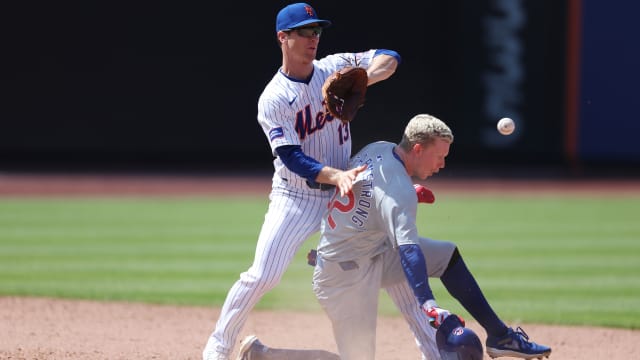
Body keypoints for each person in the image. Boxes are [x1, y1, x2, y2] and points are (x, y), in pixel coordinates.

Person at [202, 3, 444, 360]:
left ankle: (435, 351)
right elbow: (291, 157)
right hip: (296, 196)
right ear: (283, 38)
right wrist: (336, 176)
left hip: (345, 196)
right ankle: (219, 345)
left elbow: (389, 56)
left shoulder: (334, 68)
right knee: (263, 275)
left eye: (317, 31)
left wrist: (366, 77)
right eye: (304, 31)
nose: (313, 38)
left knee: (390, 261)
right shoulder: (274, 98)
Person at [236, 114, 552, 360]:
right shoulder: (399, 192)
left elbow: (357, 190)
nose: (442, 164)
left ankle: (500, 335)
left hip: (365, 256)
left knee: (446, 255)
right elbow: (409, 252)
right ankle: (263, 355)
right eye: (439, 156)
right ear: (417, 149)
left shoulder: (378, 149)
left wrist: (329, 242)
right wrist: (428, 303)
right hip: (343, 282)